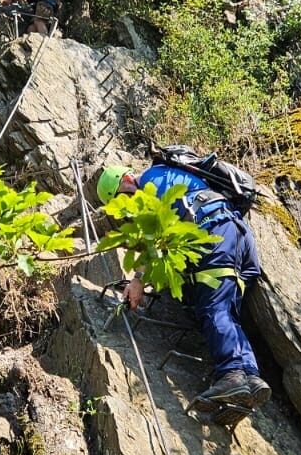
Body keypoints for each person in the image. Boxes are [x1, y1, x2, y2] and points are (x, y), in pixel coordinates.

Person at [97, 160, 271, 414]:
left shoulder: (152, 180)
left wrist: (138, 280)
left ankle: (232, 374)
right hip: (237, 237)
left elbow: (157, 236)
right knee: (224, 311)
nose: (127, 207)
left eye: (122, 199)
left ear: (126, 180)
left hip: (216, 232)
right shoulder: (169, 176)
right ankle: (250, 378)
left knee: (213, 308)